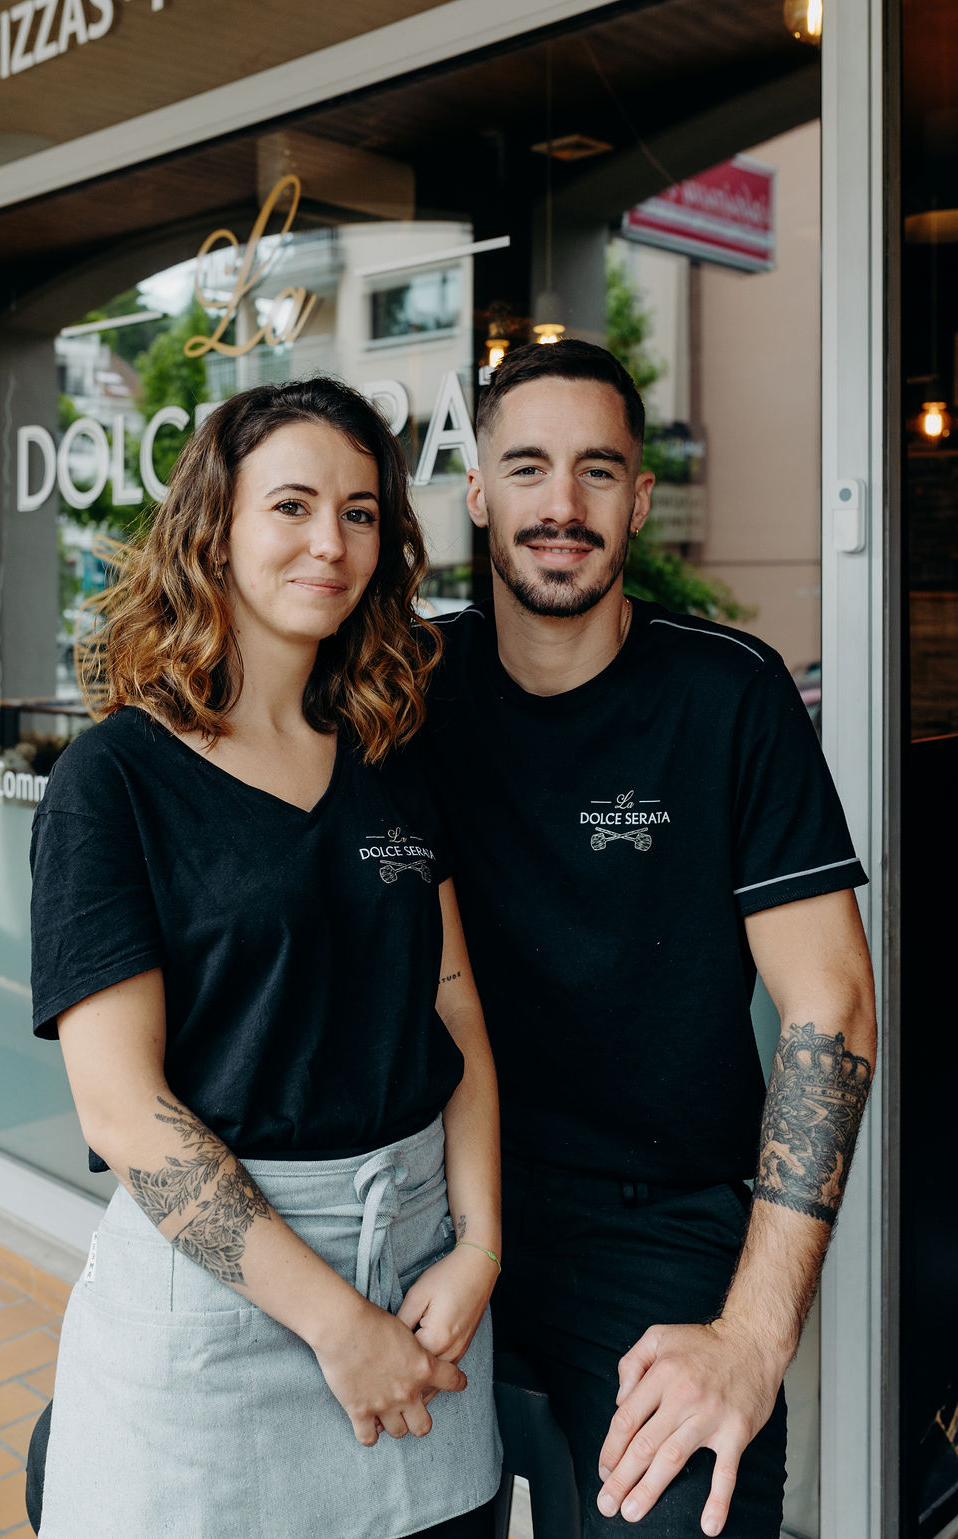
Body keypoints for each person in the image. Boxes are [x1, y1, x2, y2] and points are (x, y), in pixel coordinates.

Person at [27, 378, 502, 1539]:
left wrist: (482, 1245)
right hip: (220, 1304)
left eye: (358, 512)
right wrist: (342, 1330)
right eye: (291, 505)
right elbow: (125, 1112)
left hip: (424, 1275)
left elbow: (457, 1015)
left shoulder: (388, 753)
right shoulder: (117, 782)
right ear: (217, 529)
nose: (329, 543)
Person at [419, 339, 876, 1538]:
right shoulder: (404, 687)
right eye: (526, 468)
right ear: (477, 492)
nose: (560, 505)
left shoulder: (726, 695)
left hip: (656, 1225)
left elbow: (830, 1005)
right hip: (427, 1210)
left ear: (638, 497)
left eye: (597, 471)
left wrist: (750, 1335)